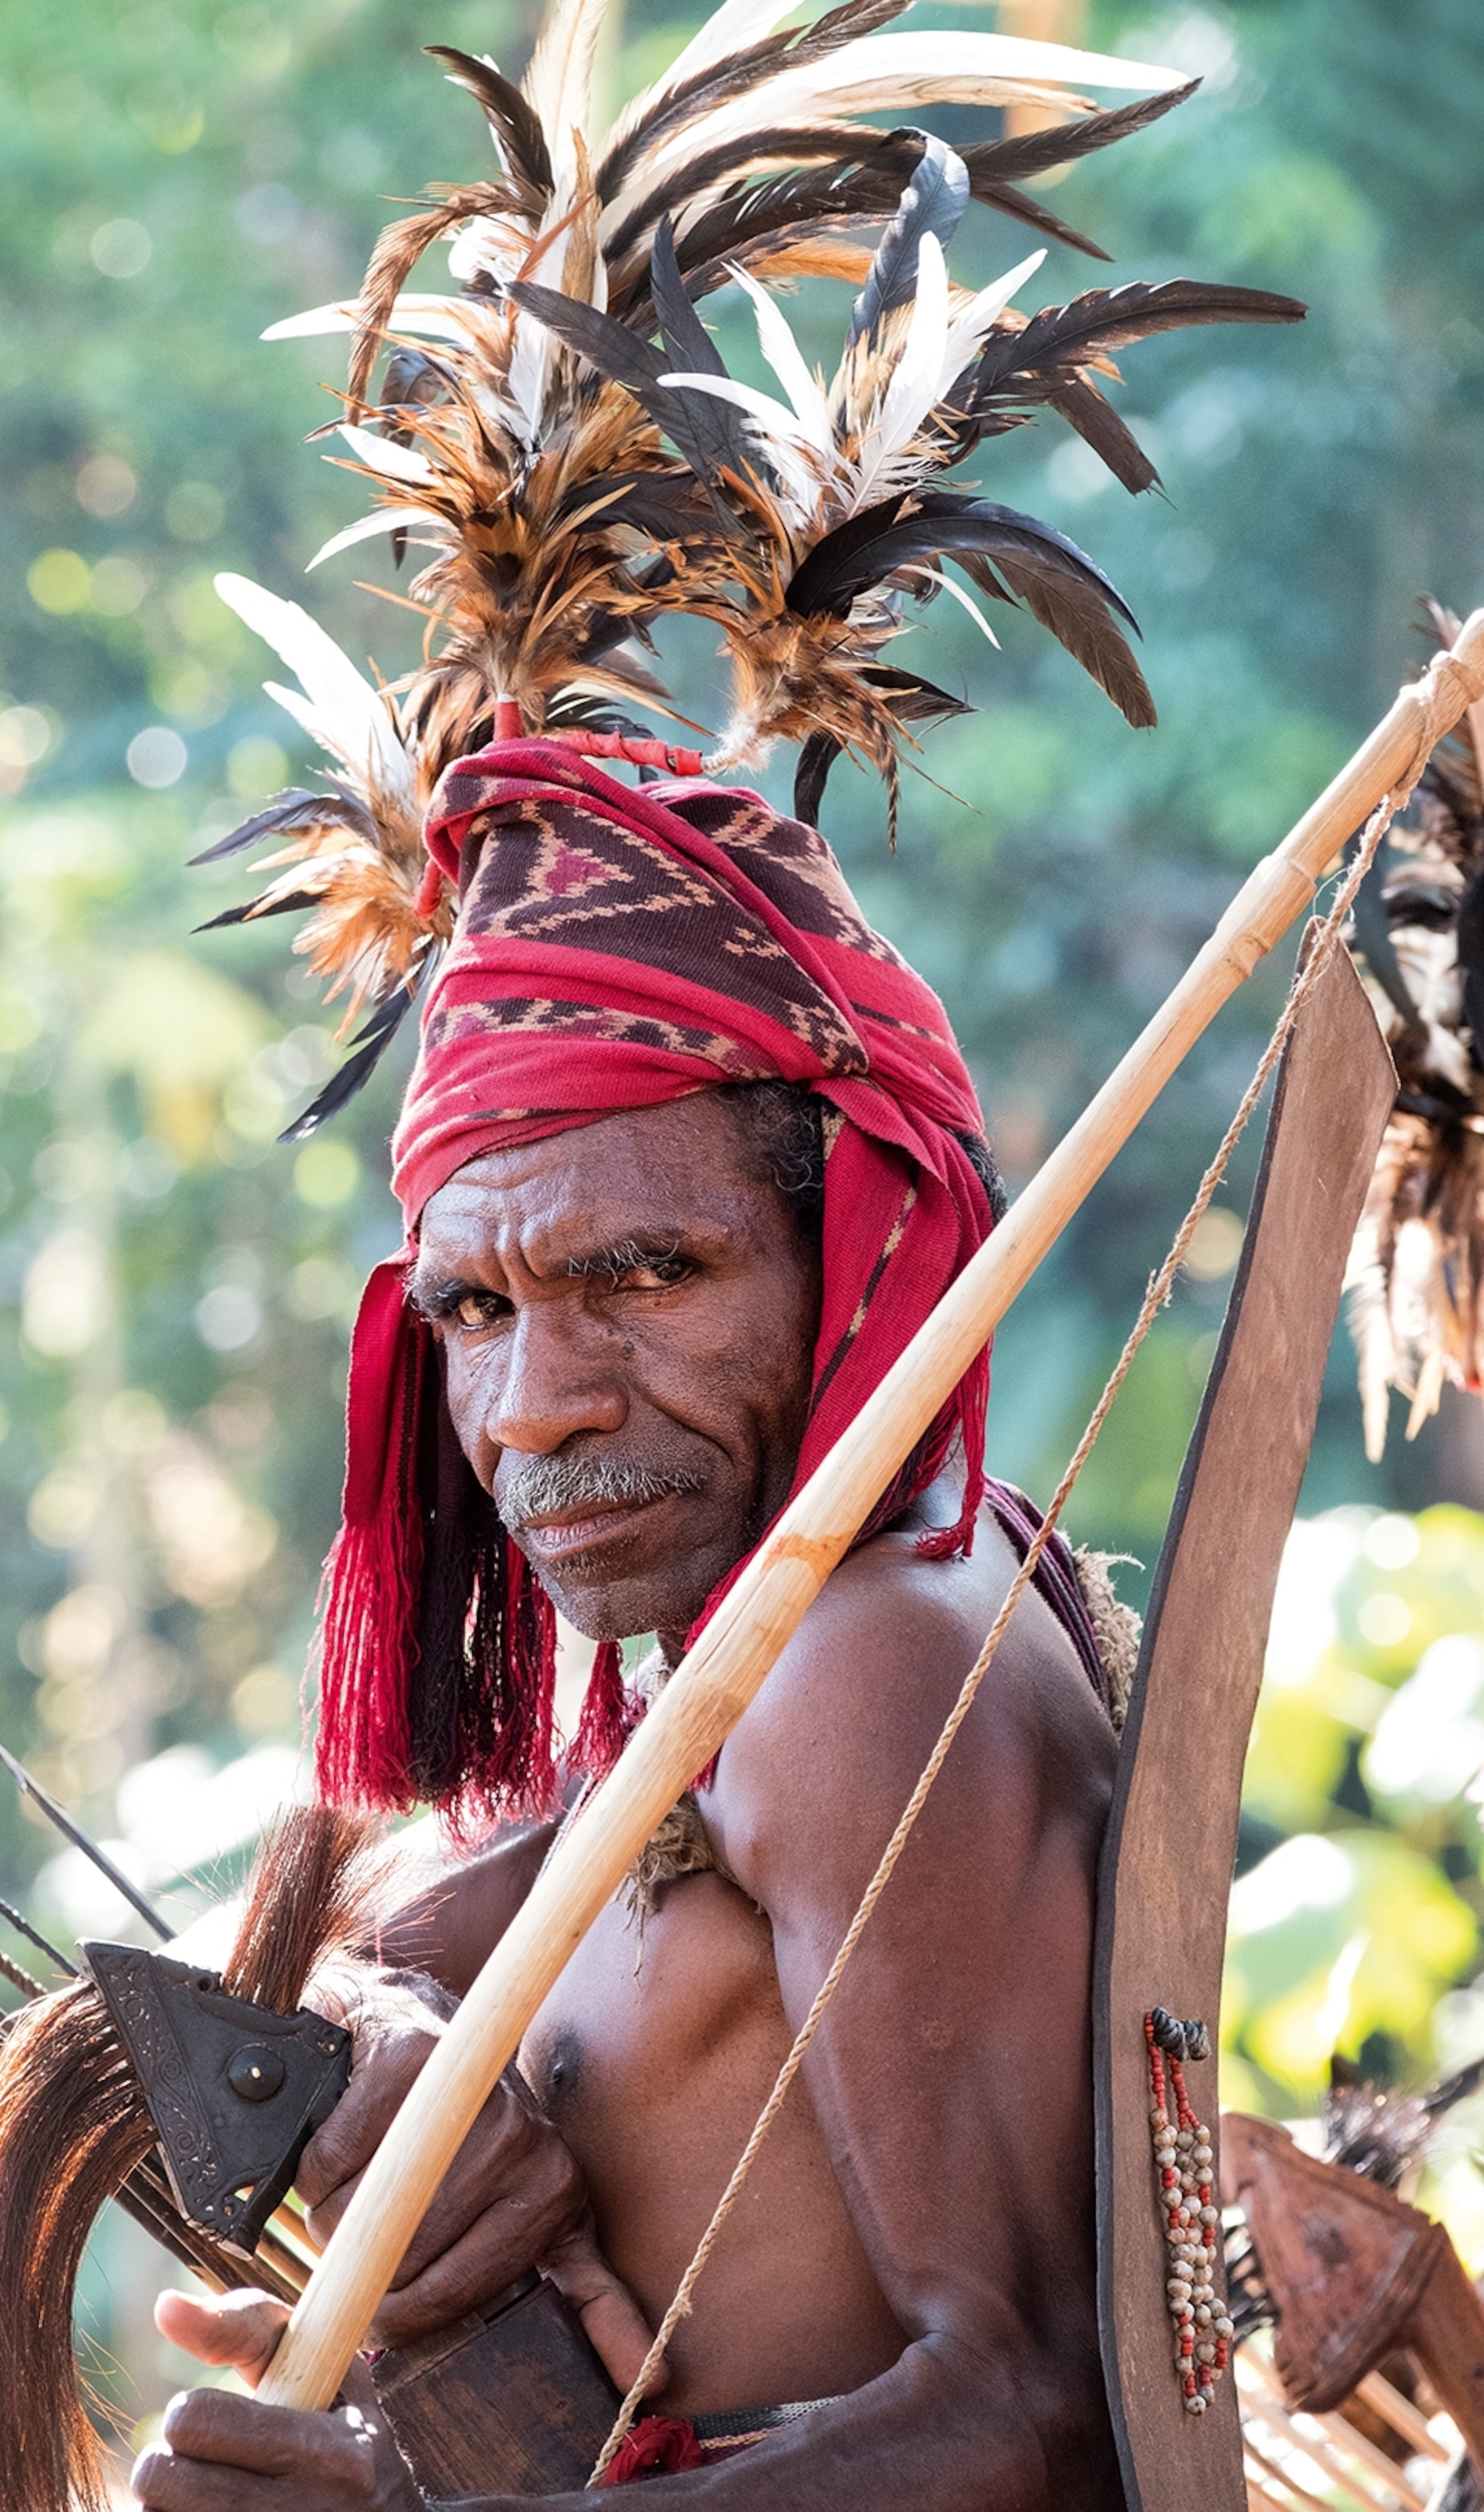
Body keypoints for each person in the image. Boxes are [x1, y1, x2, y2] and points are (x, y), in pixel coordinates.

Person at [130, 743, 1123, 2509]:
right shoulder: (729, 1677)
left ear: (864, 1255)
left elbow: (1032, 2419)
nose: (531, 1407)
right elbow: (411, 1938)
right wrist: (391, 2040)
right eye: (473, 1310)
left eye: (647, 1274)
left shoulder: (867, 1657)